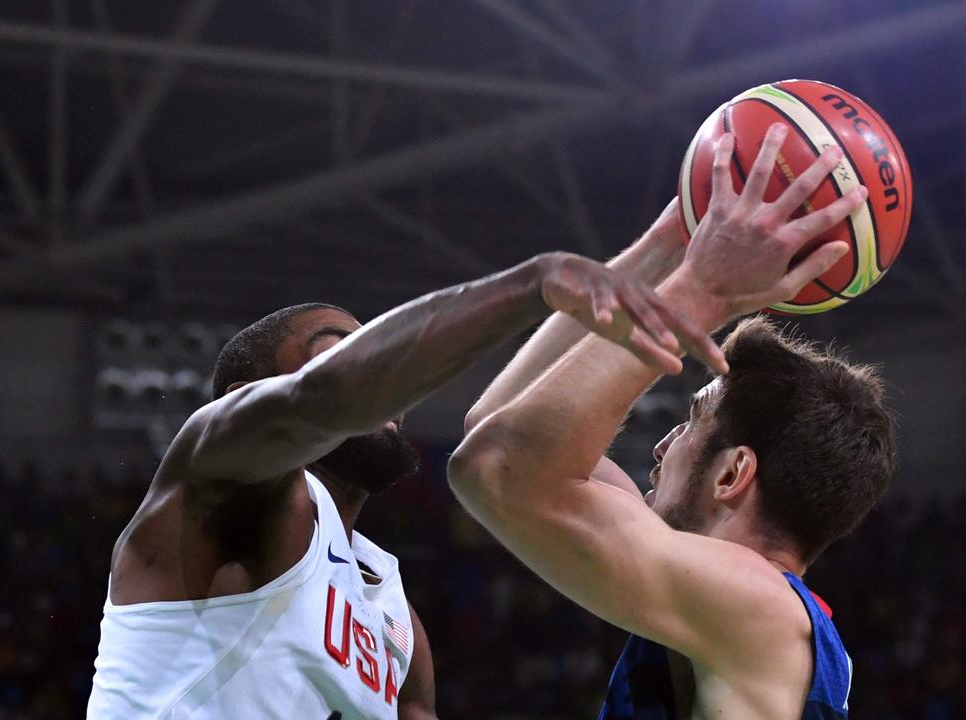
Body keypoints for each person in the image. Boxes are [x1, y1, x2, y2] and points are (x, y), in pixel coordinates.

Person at [87, 237, 726, 718]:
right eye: (335, 348)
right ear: (247, 398)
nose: (381, 379)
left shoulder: (393, 617)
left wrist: (675, 234)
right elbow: (329, 396)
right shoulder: (215, 482)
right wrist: (535, 283)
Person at [449, 124, 893, 718]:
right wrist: (669, 242)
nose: (661, 446)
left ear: (732, 473)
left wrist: (703, 290)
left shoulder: (757, 605)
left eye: (691, 421)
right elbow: (499, 426)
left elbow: (494, 467)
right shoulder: (730, 603)